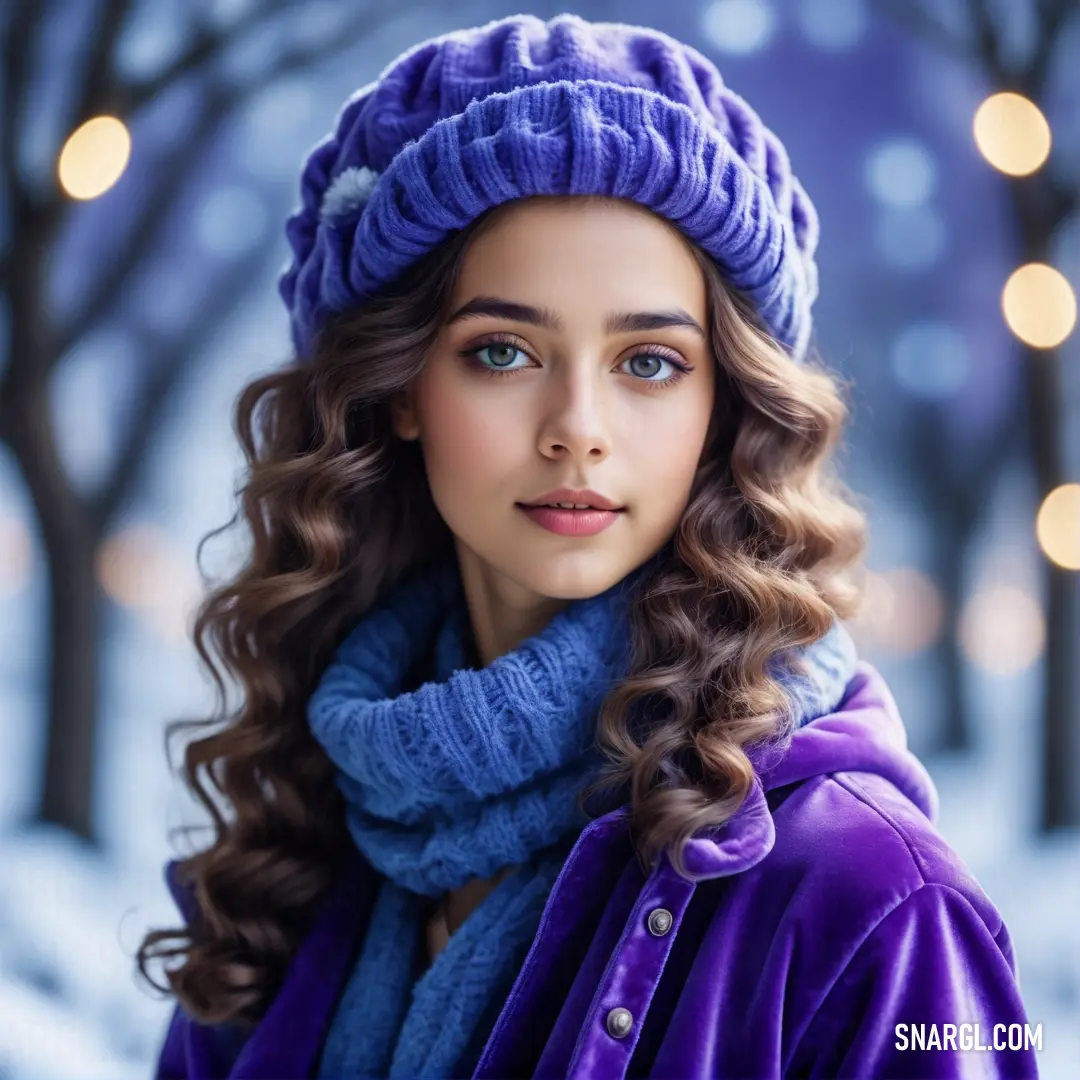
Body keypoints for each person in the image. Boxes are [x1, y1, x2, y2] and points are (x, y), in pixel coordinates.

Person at [137, 12, 1039, 1079]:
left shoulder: (875, 901)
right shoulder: (294, 846)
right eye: (504, 351)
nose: (578, 426)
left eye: (649, 361)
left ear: (726, 405)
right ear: (399, 388)